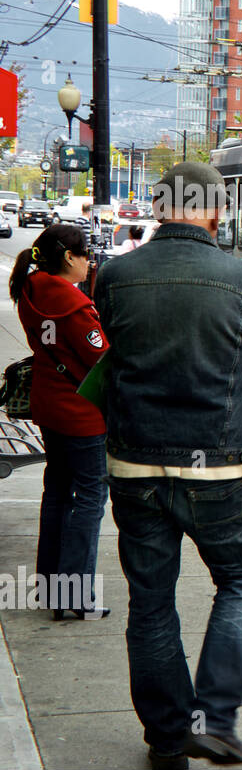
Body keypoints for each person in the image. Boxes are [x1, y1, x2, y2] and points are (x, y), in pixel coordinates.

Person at [94, 162, 242, 770]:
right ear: (216, 209)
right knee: (240, 582)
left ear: (157, 203)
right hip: (219, 469)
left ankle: (168, 738)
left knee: (150, 603)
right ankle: (215, 721)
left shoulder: (114, 275)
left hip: (135, 464)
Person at [9, 223, 110, 620]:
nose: (90, 262)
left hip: (49, 406)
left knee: (56, 494)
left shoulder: (30, 291)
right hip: (81, 414)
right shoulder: (75, 307)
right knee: (89, 500)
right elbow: (101, 360)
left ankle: (51, 585)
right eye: (86, 255)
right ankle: (76, 594)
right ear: (69, 257)